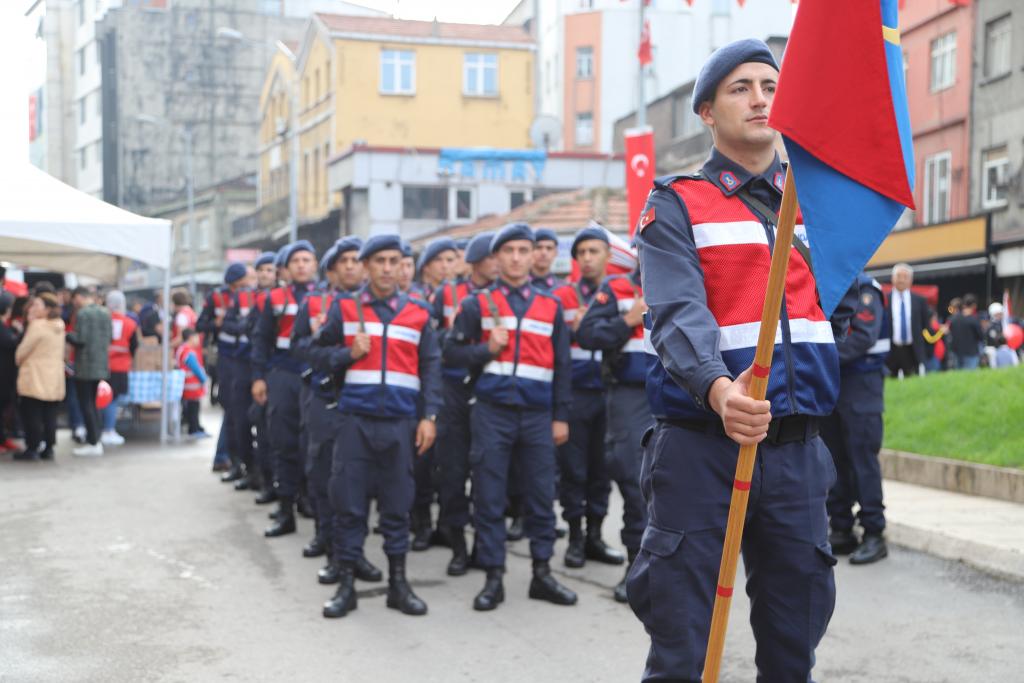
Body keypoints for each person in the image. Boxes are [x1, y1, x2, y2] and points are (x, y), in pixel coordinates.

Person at [631, 39, 855, 681]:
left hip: (796, 454)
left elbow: (836, 307)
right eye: (740, 88)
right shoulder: (675, 203)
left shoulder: (814, 207)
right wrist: (720, 389)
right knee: (682, 648)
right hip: (704, 445)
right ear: (706, 111)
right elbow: (676, 315)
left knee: (793, 645)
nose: (760, 98)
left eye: (769, 85)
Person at [445, 223, 578, 612]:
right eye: (509, 251)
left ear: (534, 255)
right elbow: (450, 353)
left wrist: (560, 416)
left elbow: (563, 366)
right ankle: (493, 577)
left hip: (538, 415)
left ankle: (542, 573)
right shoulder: (477, 304)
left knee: (540, 496)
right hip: (491, 413)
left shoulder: (550, 305)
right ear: (496, 258)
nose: (517, 257)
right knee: (489, 496)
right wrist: (486, 350)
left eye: (524, 250)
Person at [316, 234, 441, 619]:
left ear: (403, 266)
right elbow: (314, 354)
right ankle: (348, 585)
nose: (387, 268)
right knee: (350, 507)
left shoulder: (418, 312)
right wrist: (346, 354)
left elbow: (431, 367)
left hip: (401, 424)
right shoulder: (344, 308)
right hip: (355, 422)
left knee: (397, 506)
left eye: (394, 260)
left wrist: (429, 416)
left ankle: (398, 586)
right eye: (379, 261)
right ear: (367, 266)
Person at [292, 236, 383, 586]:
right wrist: (342, 357)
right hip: (326, 400)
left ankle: (354, 552)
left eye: (356, 260)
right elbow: (302, 348)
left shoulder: (375, 305)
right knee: (325, 475)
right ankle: (331, 546)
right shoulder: (316, 302)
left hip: (365, 405)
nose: (351, 266)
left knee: (359, 482)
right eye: (343, 261)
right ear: (331, 270)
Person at [576, 254, 654, 603]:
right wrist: (627, 320)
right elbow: (588, 334)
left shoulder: (690, 276)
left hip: (683, 393)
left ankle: (673, 570)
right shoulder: (617, 287)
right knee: (636, 484)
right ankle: (636, 569)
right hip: (630, 397)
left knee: (682, 487)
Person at [552, 228, 623, 570]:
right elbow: (552, 347)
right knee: (573, 469)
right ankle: (576, 536)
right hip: (575, 393)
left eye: (594, 251)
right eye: (581, 252)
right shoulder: (561, 296)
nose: (588, 258)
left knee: (602, 468)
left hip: (609, 391)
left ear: (608, 256)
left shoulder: (621, 294)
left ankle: (596, 534)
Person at [432, 231, 498, 575]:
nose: (499, 262)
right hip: (453, 390)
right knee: (454, 471)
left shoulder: (504, 296)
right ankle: (457, 543)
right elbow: (434, 341)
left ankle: (485, 549)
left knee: (488, 474)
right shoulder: (447, 293)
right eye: (492, 256)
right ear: (476, 261)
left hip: (488, 391)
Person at [251, 240, 318, 537]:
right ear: (287, 269)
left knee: (314, 445)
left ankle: (309, 500)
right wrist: (259, 377)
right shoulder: (275, 298)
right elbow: (261, 339)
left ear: (315, 265)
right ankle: (285, 508)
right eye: (296, 261)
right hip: (283, 375)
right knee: (283, 443)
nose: (302, 265)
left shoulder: (326, 297)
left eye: (307, 260)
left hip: (314, 377)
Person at [821, 275, 890, 565]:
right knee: (834, 459)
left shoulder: (865, 288)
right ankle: (841, 528)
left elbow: (862, 336)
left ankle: (874, 532)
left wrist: (819, 356)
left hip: (861, 384)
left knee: (863, 460)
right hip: (835, 383)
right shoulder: (829, 280)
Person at [410, 237, 459, 549]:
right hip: (421, 384)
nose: (447, 266)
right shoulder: (415, 297)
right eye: (440, 260)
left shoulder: (460, 295)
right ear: (426, 265)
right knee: (421, 459)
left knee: (450, 459)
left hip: (451, 386)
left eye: (452, 260)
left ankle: (446, 523)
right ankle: (421, 522)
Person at [197, 263, 253, 481]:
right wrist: (216, 323)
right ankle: (226, 457)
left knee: (237, 412)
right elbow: (201, 324)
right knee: (231, 409)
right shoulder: (216, 297)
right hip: (227, 359)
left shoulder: (253, 296)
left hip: (246, 358)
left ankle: (232, 458)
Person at [14, 293, 66, 460]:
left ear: (48, 309)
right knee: (50, 414)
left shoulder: (38, 326)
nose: (33, 308)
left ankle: (32, 448)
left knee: (32, 413)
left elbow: (22, 352)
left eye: (37, 305)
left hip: (35, 375)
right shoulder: (59, 325)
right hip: (54, 376)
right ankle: (49, 448)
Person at [66, 287, 112, 457]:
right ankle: (96, 439)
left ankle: (93, 441)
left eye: (74, 298)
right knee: (95, 404)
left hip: (85, 366)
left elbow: (80, 339)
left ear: (80, 297)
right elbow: (110, 336)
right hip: (101, 365)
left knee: (86, 404)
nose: (73, 302)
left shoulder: (83, 314)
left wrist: (68, 335)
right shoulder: (105, 312)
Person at [249, 251, 280, 503]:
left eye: (270, 270)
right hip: (263, 371)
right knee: (263, 429)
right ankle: (267, 482)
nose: (266, 274)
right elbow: (256, 336)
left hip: (286, 374)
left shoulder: (284, 298)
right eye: (262, 270)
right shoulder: (257, 300)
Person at [101, 290, 137, 447]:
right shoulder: (130, 323)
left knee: (103, 398)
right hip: (121, 367)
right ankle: (108, 429)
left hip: (102, 366)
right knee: (113, 399)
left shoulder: (103, 320)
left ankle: (105, 428)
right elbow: (134, 346)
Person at [886, 263, 928, 378]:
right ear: (892, 278)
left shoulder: (920, 300)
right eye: (898, 276)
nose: (901, 280)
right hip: (891, 349)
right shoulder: (884, 299)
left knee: (913, 382)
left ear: (911, 280)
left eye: (905, 277)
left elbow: (925, 326)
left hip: (912, 349)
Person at [176, 329, 209, 437]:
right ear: (191, 337)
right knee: (194, 407)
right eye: (196, 337)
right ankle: (194, 429)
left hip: (187, 384)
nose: (198, 340)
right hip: (192, 385)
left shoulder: (182, 349)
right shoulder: (188, 351)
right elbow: (195, 368)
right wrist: (204, 379)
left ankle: (196, 427)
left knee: (191, 407)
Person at [0, 293, 21, 453]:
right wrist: (20, 333)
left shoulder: (6, 326)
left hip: (7, 375)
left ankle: (3, 438)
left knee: (4, 407)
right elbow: (10, 343)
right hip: (3, 375)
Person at [948, 294, 984, 370]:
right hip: (971, 353)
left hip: (957, 352)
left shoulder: (953, 319)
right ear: (974, 305)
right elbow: (981, 336)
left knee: (959, 378)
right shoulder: (974, 319)